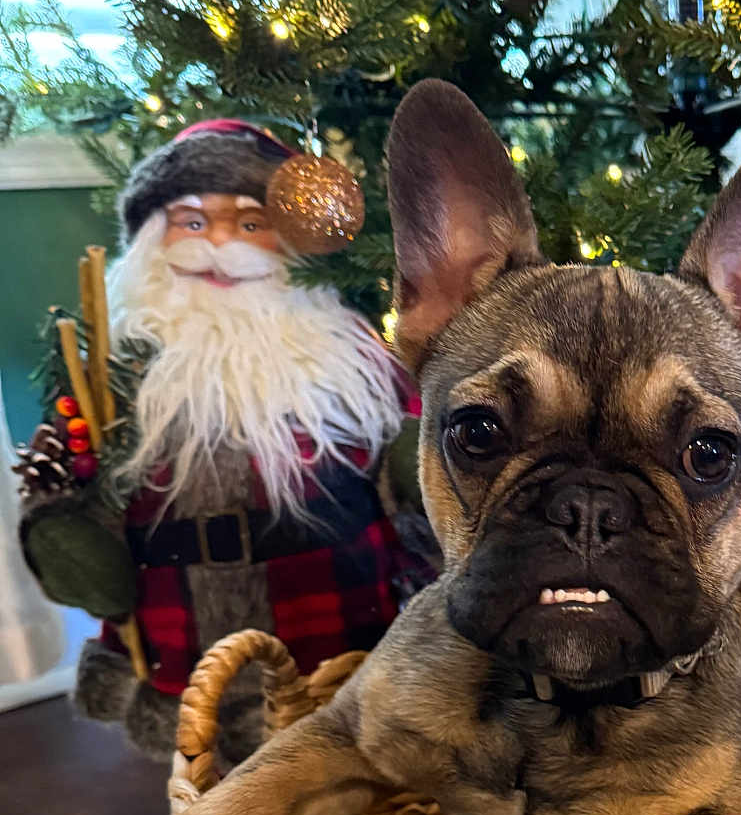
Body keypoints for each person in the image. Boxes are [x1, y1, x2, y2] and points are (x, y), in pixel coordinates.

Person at [18, 120, 434, 759]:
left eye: (247, 223)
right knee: (216, 780)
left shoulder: (347, 356)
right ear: (154, 240)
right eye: (191, 222)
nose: (216, 245)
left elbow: (403, 444)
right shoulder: (113, 373)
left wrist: (419, 464)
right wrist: (75, 532)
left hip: (344, 619)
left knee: (356, 773)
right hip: (186, 629)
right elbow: (78, 466)